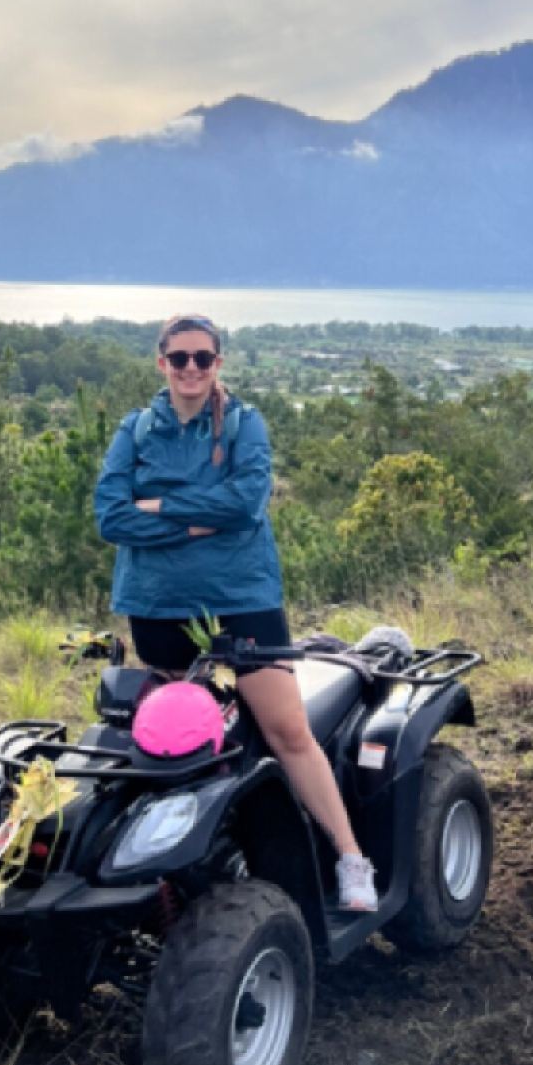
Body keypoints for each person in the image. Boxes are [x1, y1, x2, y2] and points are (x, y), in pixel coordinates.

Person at [94, 312, 378, 911]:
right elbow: (111, 516)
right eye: (179, 358)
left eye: (203, 358)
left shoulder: (245, 424)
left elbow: (246, 504)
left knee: (286, 731)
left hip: (242, 598)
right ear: (161, 362)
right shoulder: (135, 430)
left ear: (217, 363)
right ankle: (186, 871)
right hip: (158, 605)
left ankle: (351, 858)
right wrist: (198, 522)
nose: (190, 368)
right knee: (178, 742)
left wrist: (159, 508)